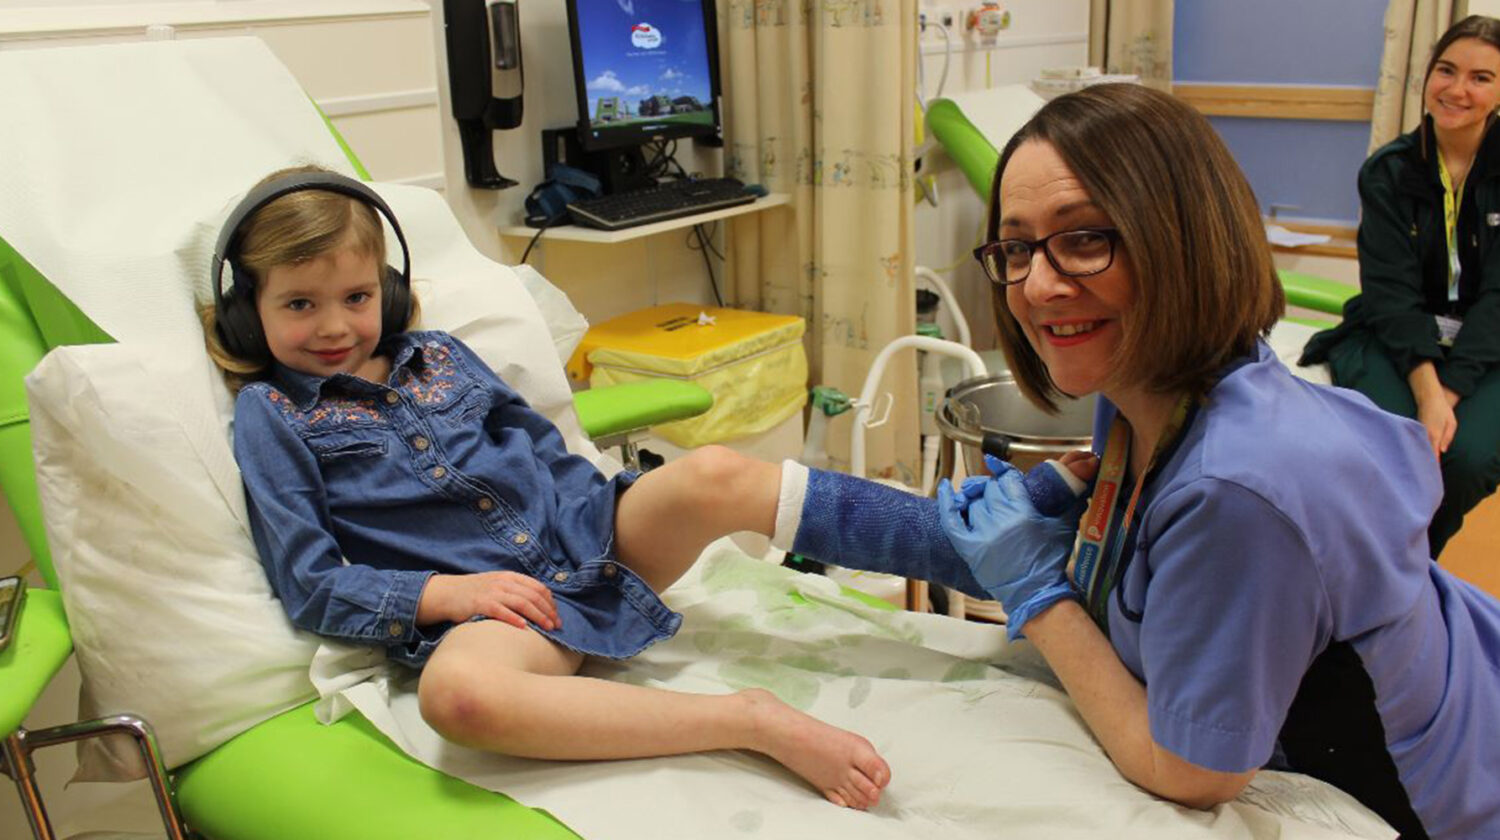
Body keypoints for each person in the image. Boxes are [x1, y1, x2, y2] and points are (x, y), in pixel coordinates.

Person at [203, 164, 1098, 811]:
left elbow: (538, 443)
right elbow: (311, 580)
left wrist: (611, 511)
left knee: (710, 473)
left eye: (357, 298)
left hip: (586, 533)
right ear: (250, 309)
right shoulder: (272, 417)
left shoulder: (441, 354)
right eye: (298, 305)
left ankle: (996, 544)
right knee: (460, 701)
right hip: (501, 615)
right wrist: (450, 593)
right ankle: (749, 719)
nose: (335, 327)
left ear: (389, 293)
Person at [809, 83, 1499, 839]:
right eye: (1015, 247)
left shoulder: (1237, 485)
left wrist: (1039, 596)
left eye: (1084, 238)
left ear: (1183, 237)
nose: (1037, 284)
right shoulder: (1144, 396)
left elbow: (1189, 771)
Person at [1301, 15, 1500, 558]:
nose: (1457, 89)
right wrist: (1427, 394)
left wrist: (1450, 395)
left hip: (1486, 346)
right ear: (1426, 76)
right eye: (1446, 70)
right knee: (1389, 445)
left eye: (1481, 78)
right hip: (1394, 337)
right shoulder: (1387, 172)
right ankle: (1361, 572)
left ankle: (1407, 571)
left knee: (1466, 458)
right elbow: (1392, 294)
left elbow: (1498, 300)